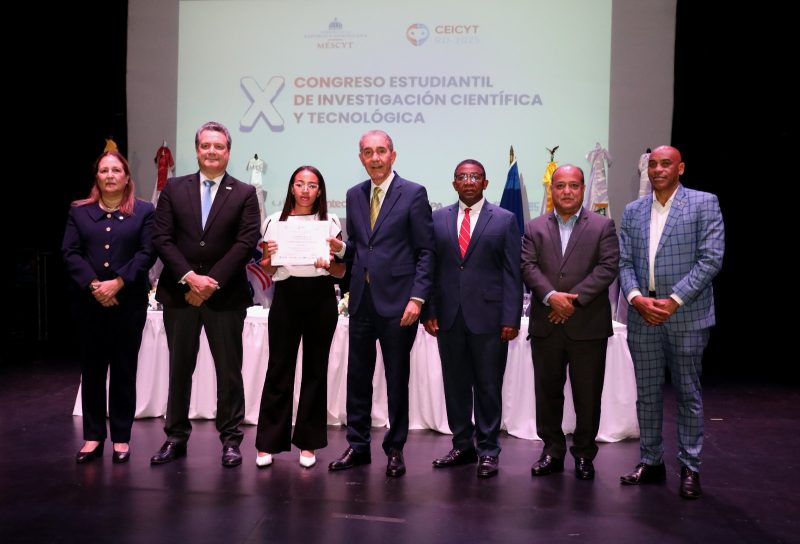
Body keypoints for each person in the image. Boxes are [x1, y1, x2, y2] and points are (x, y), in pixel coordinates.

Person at [151, 121, 261, 468]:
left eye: (219, 146)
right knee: (179, 368)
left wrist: (210, 282)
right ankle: (175, 437)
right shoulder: (173, 188)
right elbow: (162, 238)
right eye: (206, 146)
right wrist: (189, 278)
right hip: (179, 294)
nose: (212, 151)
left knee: (229, 372)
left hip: (225, 297)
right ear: (197, 150)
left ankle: (231, 440)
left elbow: (246, 242)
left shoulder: (244, 193)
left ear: (228, 152)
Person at [618, 145, 724, 499]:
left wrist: (674, 299)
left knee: (687, 394)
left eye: (666, 164)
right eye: (653, 164)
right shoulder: (633, 210)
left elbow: (711, 259)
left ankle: (690, 466)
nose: (658, 169)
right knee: (647, 395)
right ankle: (650, 461)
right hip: (643, 313)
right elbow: (623, 261)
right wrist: (636, 298)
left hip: (686, 315)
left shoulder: (704, 203)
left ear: (680, 168)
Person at [327, 130, 434, 477]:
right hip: (361, 301)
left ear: (393, 155)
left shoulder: (414, 193)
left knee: (396, 378)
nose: (375, 158)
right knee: (357, 378)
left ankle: (395, 448)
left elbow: (425, 251)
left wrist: (417, 298)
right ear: (361, 158)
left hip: (400, 304)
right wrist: (341, 250)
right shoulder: (354, 194)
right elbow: (362, 247)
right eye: (368, 152)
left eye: (381, 151)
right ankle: (358, 445)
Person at [422, 159, 522, 478]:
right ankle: (463, 445)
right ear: (454, 184)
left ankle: (488, 450)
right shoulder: (437, 219)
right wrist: (429, 310)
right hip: (448, 318)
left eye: (475, 176)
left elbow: (512, 272)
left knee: (488, 386)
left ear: (485, 183)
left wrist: (511, 317)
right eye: (462, 177)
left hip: (490, 319)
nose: (468, 181)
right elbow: (430, 268)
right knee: (455, 385)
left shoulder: (505, 219)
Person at [521, 165, 619, 481]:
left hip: (587, 325)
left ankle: (584, 454)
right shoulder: (534, 227)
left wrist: (571, 301)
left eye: (573, 185)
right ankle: (552, 451)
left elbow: (608, 267)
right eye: (560, 185)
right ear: (551, 189)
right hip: (547, 325)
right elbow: (528, 266)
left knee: (587, 395)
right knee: (547, 393)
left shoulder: (603, 225)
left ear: (583, 188)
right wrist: (552, 297)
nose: (566, 191)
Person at [62, 150, 156, 464]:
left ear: (127, 177)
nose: (110, 175)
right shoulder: (79, 211)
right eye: (104, 170)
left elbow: (147, 253)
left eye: (116, 170)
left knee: (124, 371)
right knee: (92, 370)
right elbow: (70, 252)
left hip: (128, 303)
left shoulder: (144, 211)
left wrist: (118, 282)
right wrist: (94, 285)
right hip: (88, 304)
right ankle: (92, 436)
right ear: (97, 177)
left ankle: (121, 437)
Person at [255, 166, 345, 469]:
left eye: (312, 185)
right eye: (300, 184)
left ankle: (309, 443)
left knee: (315, 370)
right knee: (279, 368)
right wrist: (270, 259)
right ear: (292, 188)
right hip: (287, 297)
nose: (305, 190)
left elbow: (341, 271)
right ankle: (268, 443)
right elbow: (268, 268)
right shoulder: (273, 222)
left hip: (321, 297)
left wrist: (329, 263)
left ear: (320, 191)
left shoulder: (330, 223)